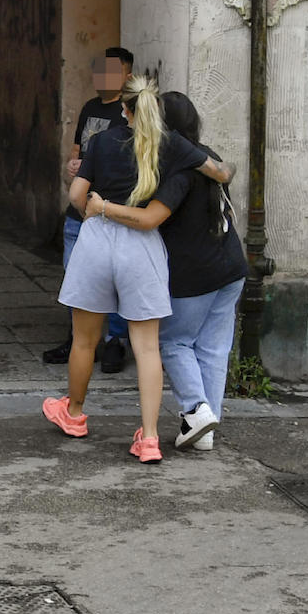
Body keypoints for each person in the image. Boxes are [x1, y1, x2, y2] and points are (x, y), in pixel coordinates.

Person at [43, 74, 206, 465]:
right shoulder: (167, 150)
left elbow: (77, 194)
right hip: (142, 247)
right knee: (147, 346)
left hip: (98, 238)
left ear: (124, 109)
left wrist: (95, 215)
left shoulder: (101, 143)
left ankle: (75, 414)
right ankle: (149, 438)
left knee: (84, 339)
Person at [92, 92, 247, 451]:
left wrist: (105, 208)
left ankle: (195, 410)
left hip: (194, 273)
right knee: (212, 348)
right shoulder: (208, 156)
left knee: (172, 341)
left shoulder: (177, 170)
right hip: (230, 266)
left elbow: (150, 219)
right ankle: (204, 430)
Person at [43, 48, 134, 371]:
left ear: (127, 76)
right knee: (77, 278)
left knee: (114, 280)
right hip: (79, 214)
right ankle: (80, 339)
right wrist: (72, 163)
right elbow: (77, 147)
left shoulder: (129, 116)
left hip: (111, 213)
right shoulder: (90, 108)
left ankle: (114, 342)